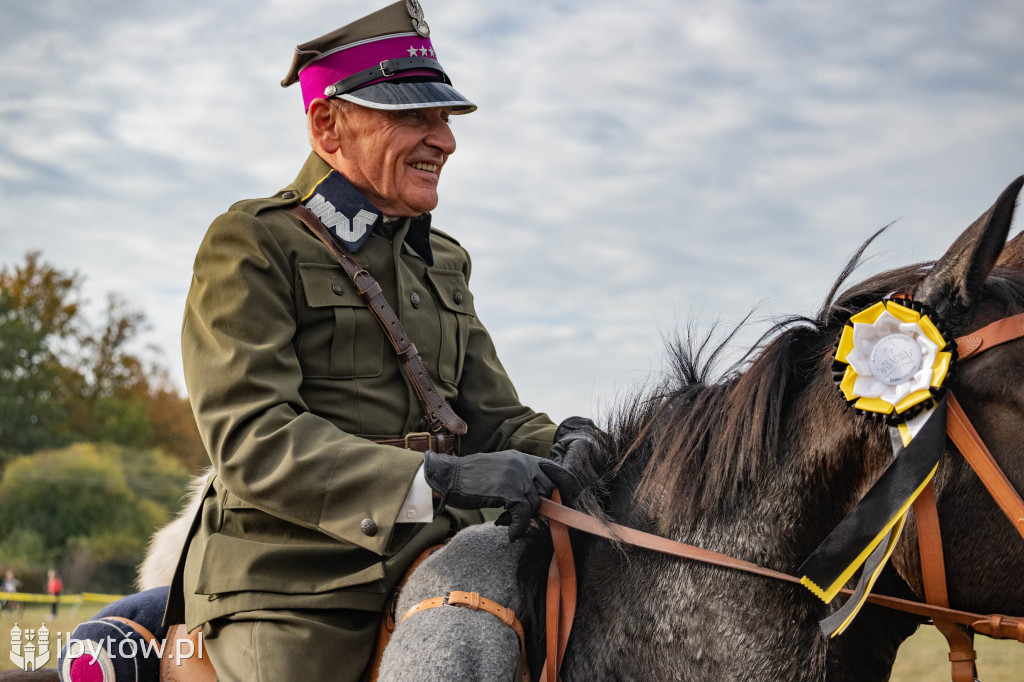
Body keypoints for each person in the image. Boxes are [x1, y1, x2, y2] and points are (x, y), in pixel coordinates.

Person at [163, 2, 593, 680]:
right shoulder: (253, 242)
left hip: (441, 554)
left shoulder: (443, 260)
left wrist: (576, 447)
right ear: (326, 123)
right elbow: (254, 439)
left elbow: (493, 419)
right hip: (298, 585)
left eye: (445, 118)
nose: (445, 140)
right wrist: (443, 477)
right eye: (412, 117)